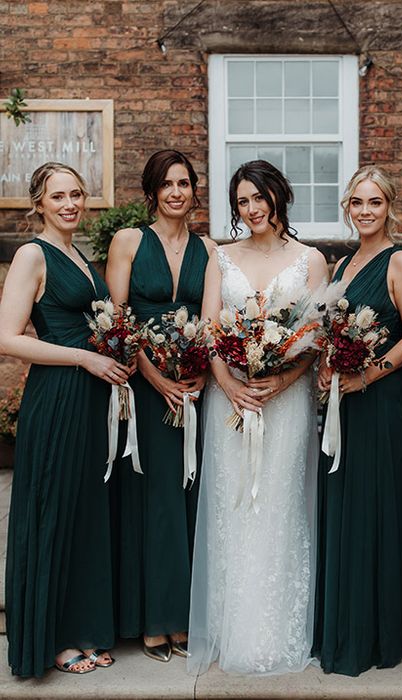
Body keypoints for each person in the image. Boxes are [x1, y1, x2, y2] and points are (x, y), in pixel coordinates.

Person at [187, 160, 328, 675]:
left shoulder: (310, 260)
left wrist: (281, 381)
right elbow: (208, 330)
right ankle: (231, 630)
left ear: (279, 196)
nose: (252, 209)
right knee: (233, 507)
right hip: (231, 402)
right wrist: (228, 386)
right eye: (242, 201)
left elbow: (315, 340)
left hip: (285, 402)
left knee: (279, 503)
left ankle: (276, 631)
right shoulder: (220, 259)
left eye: (259, 197)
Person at [0, 163, 131, 676]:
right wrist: (83, 358)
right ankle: (52, 637)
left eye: (77, 194)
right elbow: (8, 338)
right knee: (53, 510)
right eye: (59, 196)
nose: (71, 203)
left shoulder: (80, 256)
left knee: (84, 515)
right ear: (39, 202)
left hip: (92, 401)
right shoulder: (33, 254)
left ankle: (84, 627)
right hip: (56, 398)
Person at [312, 165, 402, 676]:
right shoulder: (343, 267)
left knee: (378, 510)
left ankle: (376, 635)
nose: (365, 211)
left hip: (383, 403)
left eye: (374, 202)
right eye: (357, 203)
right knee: (347, 509)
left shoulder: (399, 260)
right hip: (345, 403)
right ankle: (344, 624)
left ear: (389, 207)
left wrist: (367, 377)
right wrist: (326, 370)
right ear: (347, 208)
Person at [106, 150, 216, 662]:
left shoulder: (210, 249)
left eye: (184, 183)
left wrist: (195, 373)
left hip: (195, 388)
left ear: (195, 190)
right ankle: (154, 619)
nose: (176, 192)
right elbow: (117, 321)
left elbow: (213, 321)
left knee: (190, 499)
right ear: (152, 192)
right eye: (166, 184)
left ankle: (186, 616)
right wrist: (153, 377)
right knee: (154, 501)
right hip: (146, 390)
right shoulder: (128, 242)